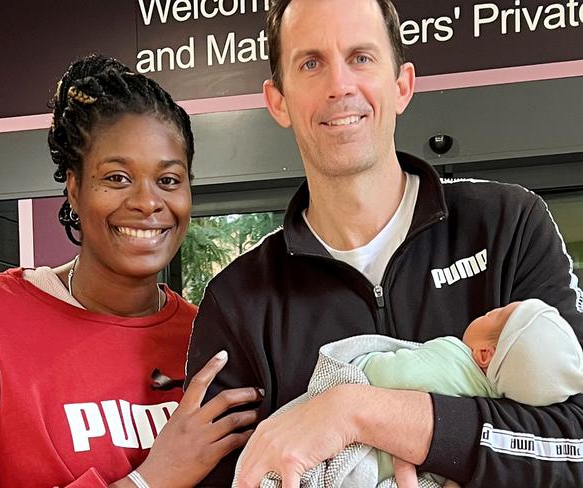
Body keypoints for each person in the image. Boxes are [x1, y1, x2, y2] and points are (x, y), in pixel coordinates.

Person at [184, 0, 583, 486]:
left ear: (402, 86)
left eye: (361, 57)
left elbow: (574, 441)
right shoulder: (238, 300)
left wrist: (358, 412)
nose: (339, 86)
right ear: (278, 101)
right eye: (311, 64)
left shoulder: (508, 226)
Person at [0, 54, 263, 487]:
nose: (148, 202)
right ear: (74, 187)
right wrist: (151, 480)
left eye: (168, 180)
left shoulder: (208, 338)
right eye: (117, 178)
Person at [235, 298, 583, 488]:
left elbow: (386, 374)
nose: (490, 308)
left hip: (356, 459)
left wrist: (363, 371)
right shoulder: (495, 409)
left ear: (484, 355)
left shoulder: (452, 356)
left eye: (496, 314)